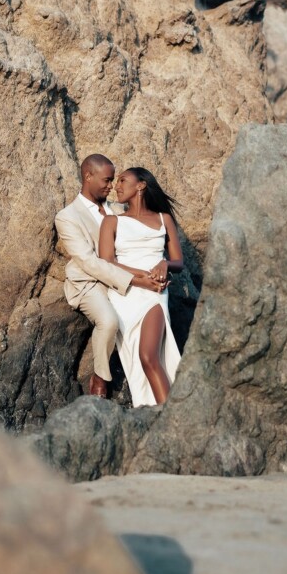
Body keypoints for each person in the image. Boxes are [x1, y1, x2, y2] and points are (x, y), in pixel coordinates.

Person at [55, 155, 164, 398]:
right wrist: (136, 280)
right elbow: (89, 262)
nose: (111, 186)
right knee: (109, 321)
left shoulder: (119, 210)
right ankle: (101, 377)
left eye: (113, 180)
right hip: (89, 282)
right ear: (88, 176)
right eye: (106, 180)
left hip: (123, 275)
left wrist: (158, 267)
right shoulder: (67, 217)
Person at [98, 167, 183, 406]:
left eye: (123, 180)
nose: (116, 185)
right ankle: (159, 412)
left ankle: (170, 420)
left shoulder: (163, 219)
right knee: (139, 359)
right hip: (126, 294)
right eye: (116, 181)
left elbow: (179, 262)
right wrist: (142, 276)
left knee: (148, 356)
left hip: (154, 293)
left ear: (141, 185)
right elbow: (107, 263)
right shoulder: (111, 222)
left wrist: (164, 263)